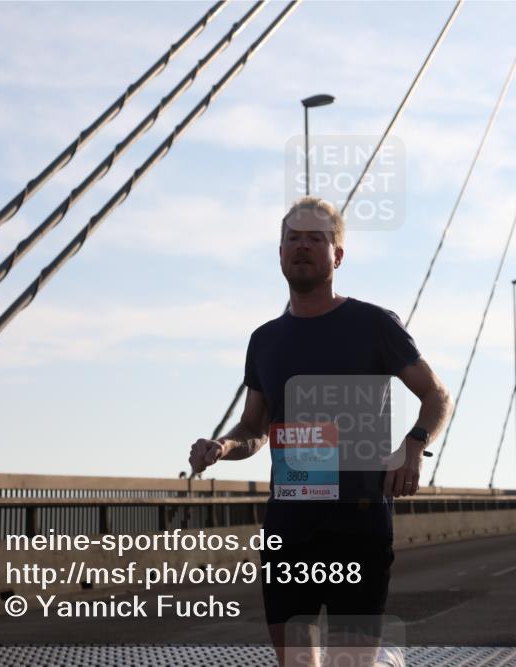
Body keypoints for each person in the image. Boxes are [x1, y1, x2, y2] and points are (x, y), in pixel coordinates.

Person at [188, 197, 453, 667]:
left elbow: (436, 395)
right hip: (290, 525)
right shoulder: (264, 340)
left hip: (359, 519)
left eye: (316, 238)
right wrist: (222, 446)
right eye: (293, 238)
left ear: (338, 255)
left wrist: (412, 447)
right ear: (280, 252)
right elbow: (254, 427)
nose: (303, 246)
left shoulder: (373, 325)